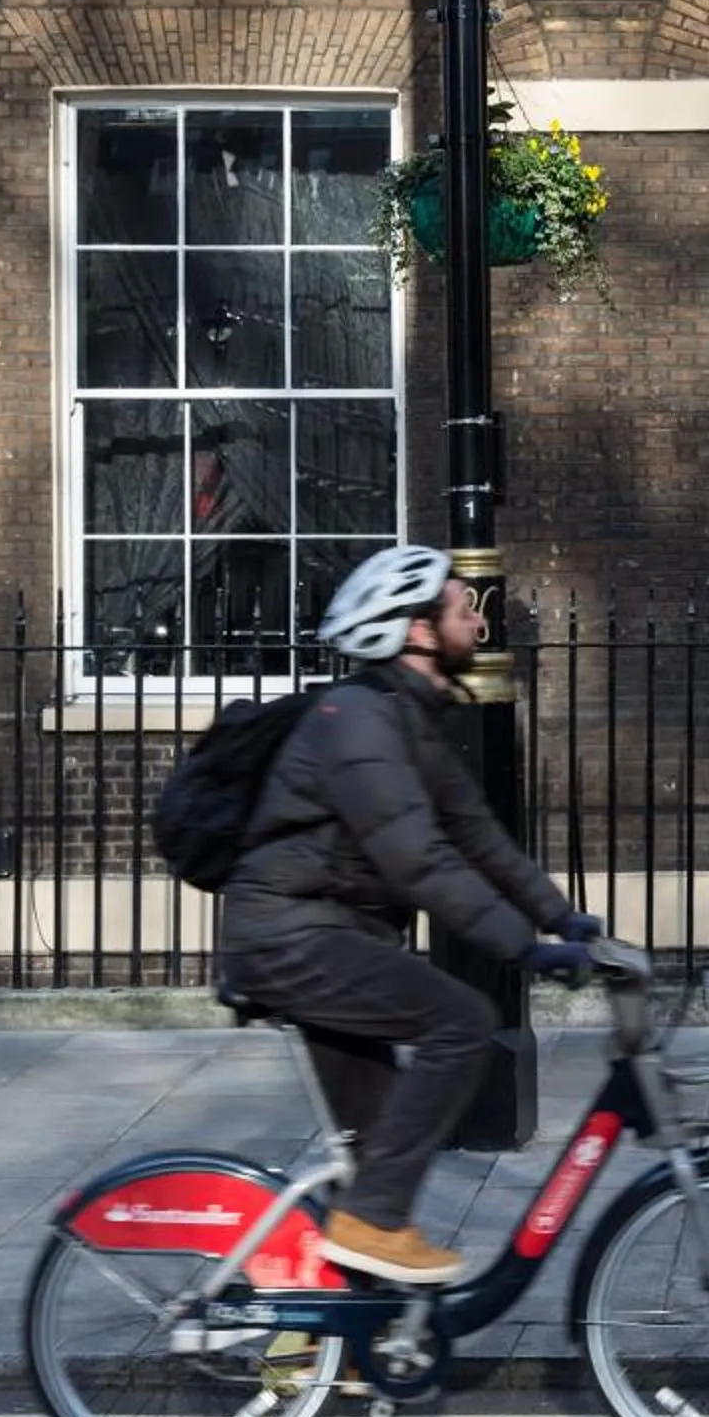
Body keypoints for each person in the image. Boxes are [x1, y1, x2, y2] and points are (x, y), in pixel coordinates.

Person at [217, 543, 599, 1285]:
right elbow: (420, 861)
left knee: (377, 1157)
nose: (478, 624)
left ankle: (342, 1319)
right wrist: (524, 949)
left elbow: (479, 837)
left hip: (328, 938)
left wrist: (564, 918)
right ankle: (370, 1229)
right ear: (419, 631)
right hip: (292, 941)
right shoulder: (359, 724)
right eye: (463, 609)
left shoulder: (407, 718)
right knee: (461, 1022)